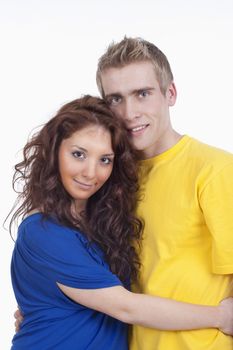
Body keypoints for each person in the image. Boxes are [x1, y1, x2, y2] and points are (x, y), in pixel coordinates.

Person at [9, 95, 233, 350]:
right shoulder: (44, 232)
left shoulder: (101, 226)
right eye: (78, 154)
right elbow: (126, 307)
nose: (91, 173)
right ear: (54, 151)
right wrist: (221, 316)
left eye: (105, 159)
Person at [95, 37, 233, 350]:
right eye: (116, 99)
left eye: (142, 94)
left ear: (169, 93)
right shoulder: (107, 178)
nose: (130, 112)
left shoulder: (215, 170)